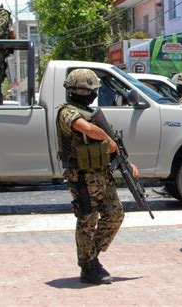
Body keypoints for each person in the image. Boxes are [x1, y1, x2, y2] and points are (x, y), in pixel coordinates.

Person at [56, 68, 139, 285]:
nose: (93, 95)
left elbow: (114, 145)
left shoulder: (93, 114)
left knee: (115, 214)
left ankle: (91, 255)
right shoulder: (67, 112)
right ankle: (88, 266)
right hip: (82, 177)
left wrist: (127, 163)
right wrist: (108, 141)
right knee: (87, 219)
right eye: (91, 91)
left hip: (102, 176)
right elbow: (84, 128)